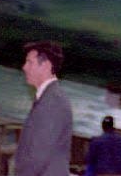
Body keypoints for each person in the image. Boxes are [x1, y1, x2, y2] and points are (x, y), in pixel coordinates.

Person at [14, 41, 72, 176]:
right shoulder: (48, 98)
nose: (24, 67)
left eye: (29, 62)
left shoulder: (52, 101)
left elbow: (37, 156)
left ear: (45, 65)